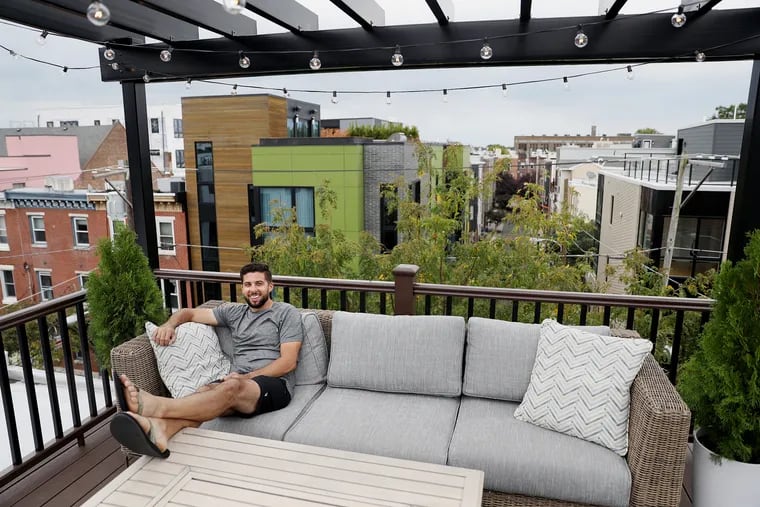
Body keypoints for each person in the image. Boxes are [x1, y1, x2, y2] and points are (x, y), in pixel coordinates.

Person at [110, 262, 303, 458]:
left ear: (270, 286)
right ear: (242, 288)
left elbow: (288, 362)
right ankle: (160, 429)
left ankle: (157, 407)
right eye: (248, 284)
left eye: (259, 283)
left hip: (275, 385)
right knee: (203, 391)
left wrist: (247, 377)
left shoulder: (286, 313)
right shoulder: (234, 313)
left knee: (231, 386)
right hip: (236, 380)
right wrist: (169, 325)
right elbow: (189, 313)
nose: (253, 289)